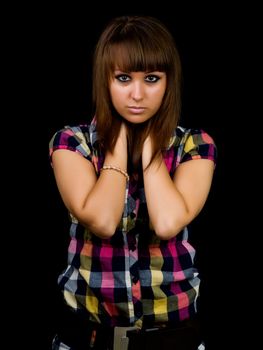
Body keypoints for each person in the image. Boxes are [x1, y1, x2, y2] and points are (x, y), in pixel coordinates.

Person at [49, 15, 217, 350]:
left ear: (168, 83)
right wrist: (119, 138)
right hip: (89, 340)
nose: (137, 94)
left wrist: (152, 140)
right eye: (123, 78)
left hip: (175, 341)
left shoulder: (194, 145)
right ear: (105, 81)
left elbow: (168, 222)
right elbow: (103, 220)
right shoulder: (72, 143)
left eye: (151, 79)